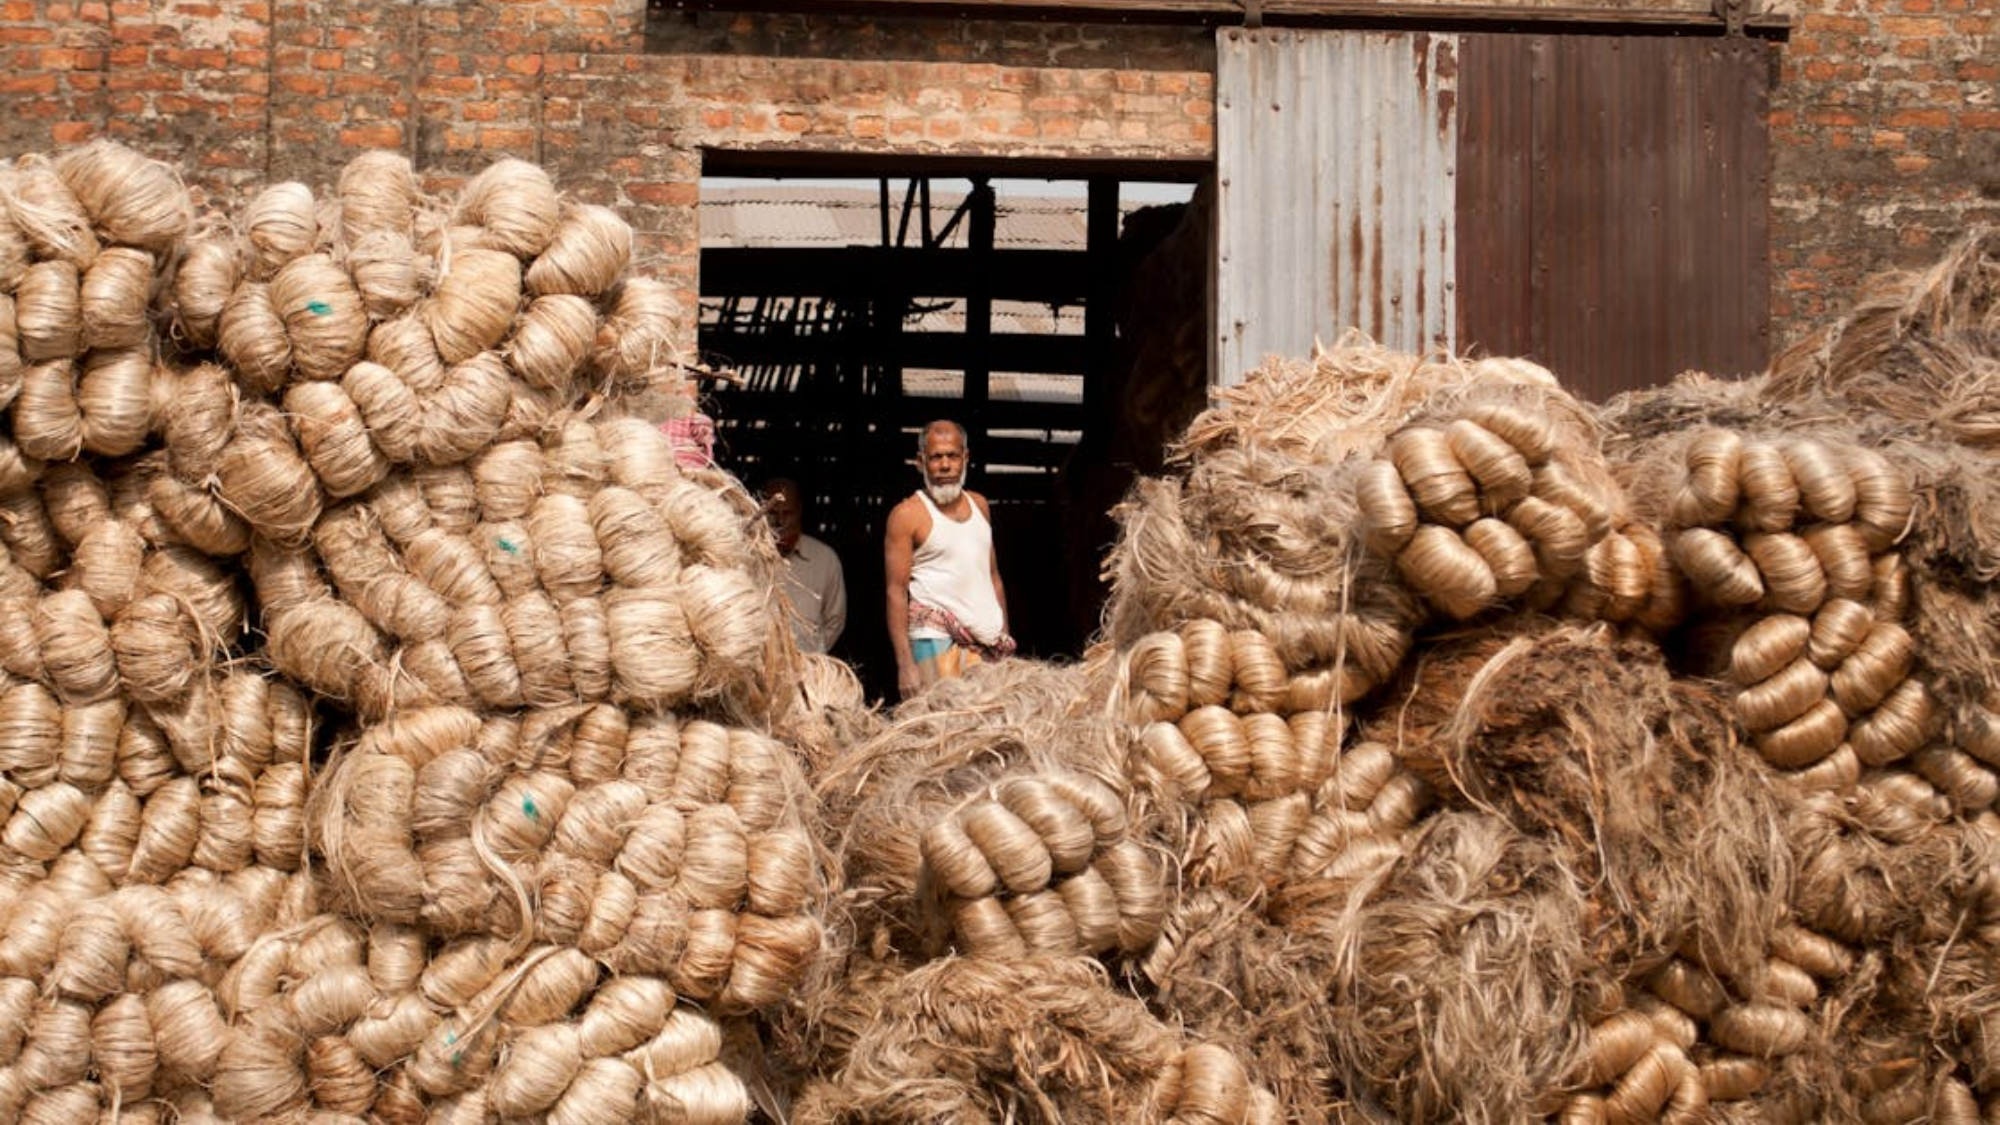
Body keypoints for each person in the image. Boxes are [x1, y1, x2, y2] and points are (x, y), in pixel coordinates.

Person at [885, 420, 1014, 698]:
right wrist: (905, 664)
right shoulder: (906, 515)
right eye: (936, 457)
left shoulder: (980, 505)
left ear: (965, 458)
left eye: (952, 456)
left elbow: (992, 577)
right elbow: (896, 591)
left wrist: (1003, 637)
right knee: (941, 733)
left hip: (986, 648)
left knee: (987, 733)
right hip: (934, 645)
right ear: (921, 462)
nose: (945, 466)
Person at [762, 477, 847, 655]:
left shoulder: (825, 559)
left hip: (806, 670)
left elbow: (835, 621)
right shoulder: (747, 557)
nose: (779, 521)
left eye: (787, 513)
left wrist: (811, 656)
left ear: (799, 511)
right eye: (772, 513)